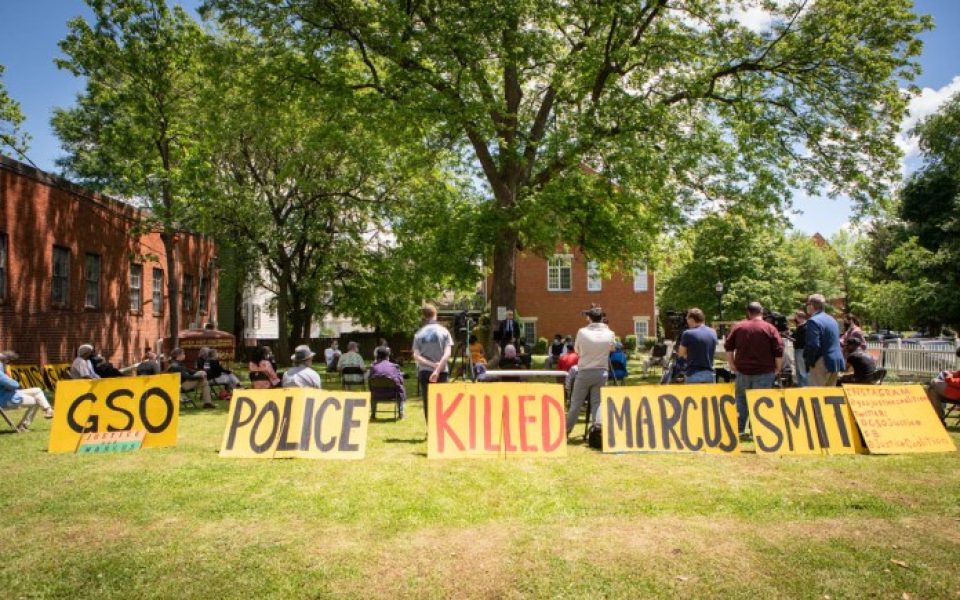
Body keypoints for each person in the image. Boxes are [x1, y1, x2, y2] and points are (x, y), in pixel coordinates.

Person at [724, 302, 784, 437]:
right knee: (760, 401)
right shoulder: (770, 328)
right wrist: (778, 367)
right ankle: (756, 430)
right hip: (765, 370)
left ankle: (740, 429)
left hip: (743, 370)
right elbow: (778, 350)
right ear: (761, 312)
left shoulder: (738, 327)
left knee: (741, 400)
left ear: (748, 312)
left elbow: (728, 347)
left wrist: (732, 364)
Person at [565, 306, 615, 435]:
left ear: (589, 318)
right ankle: (597, 430)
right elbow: (612, 348)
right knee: (597, 403)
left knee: (576, 403)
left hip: (585, 371)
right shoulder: (610, 333)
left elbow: (577, 350)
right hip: (602, 372)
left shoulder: (582, 332)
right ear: (602, 318)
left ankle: (566, 431)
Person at [412, 303, 453, 423]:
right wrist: (438, 369)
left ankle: (430, 428)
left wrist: (431, 365)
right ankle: (441, 429)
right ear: (436, 314)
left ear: (423, 316)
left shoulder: (418, 333)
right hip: (442, 371)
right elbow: (447, 353)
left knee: (428, 402)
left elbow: (416, 356)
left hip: (425, 371)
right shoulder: (444, 331)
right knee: (443, 402)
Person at [0, 350, 53, 424]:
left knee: (37, 390)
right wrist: (15, 384)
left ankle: (48, 410)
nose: (8, 365)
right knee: (37, 400)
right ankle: (24, 425)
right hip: (5, 399)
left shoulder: (2, 367)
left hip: (8, 394)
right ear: (6, 360)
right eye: (9, 363)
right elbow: (12, 384)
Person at [804, 294, 845, 387]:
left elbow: (813, 345)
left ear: (811, 305)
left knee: (816, 394)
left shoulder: (813, 321)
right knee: (829, 393)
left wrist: (810, 362)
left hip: (821, 362)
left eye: (807, 304)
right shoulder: (832, 320)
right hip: (835, 362)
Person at [678, 308, 717, 384]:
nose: (687, 322)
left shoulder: (687, 333)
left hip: (693, 374)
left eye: (687, 319)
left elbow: (681, 354)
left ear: (692, 319)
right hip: (710, 374)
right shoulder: (713, 332)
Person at [368, 347, 407, 418]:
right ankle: (401, 413)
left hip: (376, 394)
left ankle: (373, 413)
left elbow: (370, 381)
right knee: (401, 388)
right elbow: (400, 381)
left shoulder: (373, 367)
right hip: (392, 394)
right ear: (387, 356)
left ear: (377, 356)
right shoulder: (394, 366)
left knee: (373, 390)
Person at [792, 310, 809, 387]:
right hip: (797, 349)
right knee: (798, 370)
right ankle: (800, 385)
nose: (795, 319)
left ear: (800, 317)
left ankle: (805, 386)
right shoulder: (799, 326)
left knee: (802, 370)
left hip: (801, 350)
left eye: (796, 317)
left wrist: (793, 339)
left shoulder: (805, 327)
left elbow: (801, 340)